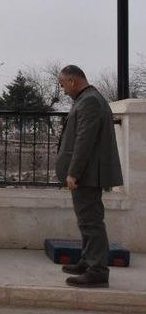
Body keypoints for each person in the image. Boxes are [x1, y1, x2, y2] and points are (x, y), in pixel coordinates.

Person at [56, 65, 123, 288]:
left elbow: (84, 141)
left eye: (63, 84)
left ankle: (97, 271)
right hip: (89, 173)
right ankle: (88, 260)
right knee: (86, 220)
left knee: (91, 222)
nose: (63, 90)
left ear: (73, 81)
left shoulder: (90, 101)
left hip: (87, 174)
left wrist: (73, 173)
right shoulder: (88, 99)